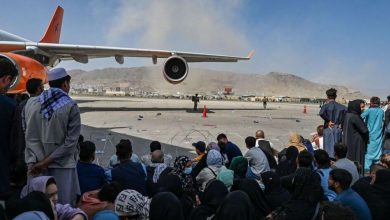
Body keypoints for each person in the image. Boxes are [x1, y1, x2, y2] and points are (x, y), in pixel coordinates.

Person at [23, 68, 81, 206]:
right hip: (62, 167)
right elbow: (70, 144)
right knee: (62, 207)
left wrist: (39, 163)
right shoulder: (71, 106)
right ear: (65, 84)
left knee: (37, 206)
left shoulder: (30, 103)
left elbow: (25, 133)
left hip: (35, 167)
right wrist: (45, 163)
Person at [10, 78, 44, 186]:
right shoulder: (43, 104)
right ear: (39, 89)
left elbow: (18, 128)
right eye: (42, 86)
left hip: (24, 147)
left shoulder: (22, 104)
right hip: (37, 148)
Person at [20, 176, 87, 220]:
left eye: (56, 193)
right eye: (49, 195)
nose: (56, 198)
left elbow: (79, 213)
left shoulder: (56, 208)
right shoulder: (30, 216)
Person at [0, 57, 18, 200]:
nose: (9, 88)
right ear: (6, 79)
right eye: (10, 83)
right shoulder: (10, 106)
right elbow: (16, 145)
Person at [319, 88, 347, 157]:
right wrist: (342, 123)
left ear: (327, 96)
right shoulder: (342, 107)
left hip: (328, 128)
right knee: (337, 149)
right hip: (338, 128)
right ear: (335, 96)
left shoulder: (325, 106)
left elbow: (321, 113)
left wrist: (328, 121)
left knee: (327, 149)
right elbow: (346, 114)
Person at [343, 99, 369, 171]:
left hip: (349, 141)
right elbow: (365, 130)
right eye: (362, 107)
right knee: (357, 160)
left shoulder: (348, 115)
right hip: (356, 143)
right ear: (356, 107)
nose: (363, 109)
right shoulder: (355, 117)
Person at [361, 97, 384, 172]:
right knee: (377, 154)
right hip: (378, 136)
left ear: (371, 103)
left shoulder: (369, 110)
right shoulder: (381, 111)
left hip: (370, 135)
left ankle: (367, 171)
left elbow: (360, 117)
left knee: (368, 155)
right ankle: (376, 171)